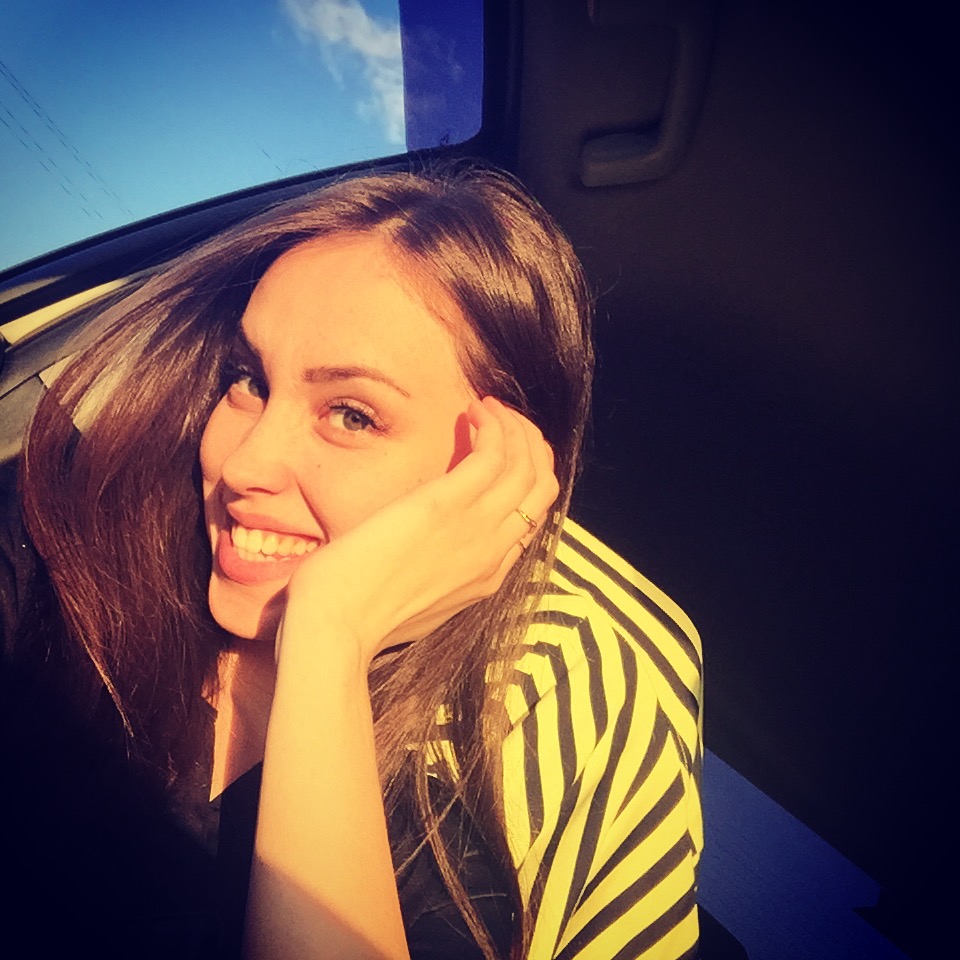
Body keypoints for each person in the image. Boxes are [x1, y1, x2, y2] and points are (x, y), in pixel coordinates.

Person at [0, 167, 703, 959]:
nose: (243, 465)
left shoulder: (549, 705)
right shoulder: (67, 547)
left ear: (494, 471)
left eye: (353, 415)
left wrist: (328, 636)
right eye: (248, 380)